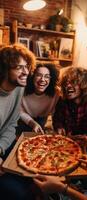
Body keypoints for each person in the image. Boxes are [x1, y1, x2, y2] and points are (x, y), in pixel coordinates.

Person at [0, 43, 36, 200]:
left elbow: (12, 124)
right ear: (4, 70)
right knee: (19, 193)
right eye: (19, 68)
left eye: (26, 67)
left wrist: (0, 148)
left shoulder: (19, 88)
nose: (26, 72)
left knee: (33, 175)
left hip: (1, 145)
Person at [53, 66, 87, 149]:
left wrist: (83, 139)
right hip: (68, 142)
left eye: (73, 82)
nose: (68, 86)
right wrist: (59, 127)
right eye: (65, 83)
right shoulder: (63, 100)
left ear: (84, 84)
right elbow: (57, 119)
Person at [17, 63, 59, 134]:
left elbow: (56, 113)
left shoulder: (56, 92)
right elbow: (19, 111)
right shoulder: (21, 90)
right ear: (32, 77)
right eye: (39, 75)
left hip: (43, 120)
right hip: (23, 119)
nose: (42, 79)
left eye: (47, 77)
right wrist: (32, 123)